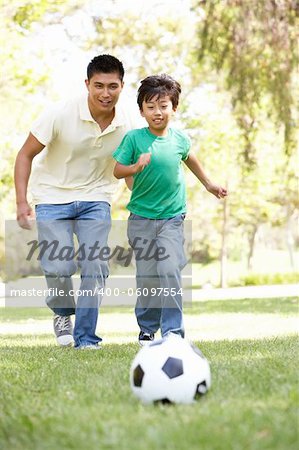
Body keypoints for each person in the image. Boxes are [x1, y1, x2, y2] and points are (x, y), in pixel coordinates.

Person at [14, 54, 140, 349]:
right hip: (51, 196)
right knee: (58, 267)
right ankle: (61, 313)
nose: (105, 94)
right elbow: (25, 154)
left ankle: (86, 338)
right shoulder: (59, 112)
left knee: (94, 265)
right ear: (87, 84)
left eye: (112, 86)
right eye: (98, 86)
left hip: (96, 197)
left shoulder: (128, 123)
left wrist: (148, 203)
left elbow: (130, 172)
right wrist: (22, 202)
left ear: (122, 86)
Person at [113, 74, 228, 345]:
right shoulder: (133, 139)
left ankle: (173, 332)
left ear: (174, 109)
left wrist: (209, 185)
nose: (157, 112)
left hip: (172, 217)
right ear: (141, 110)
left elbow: (192, 162)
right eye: (150, 106)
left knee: (169, 269)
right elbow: (117, 170)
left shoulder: (179, 140)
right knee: (147, 276)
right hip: (141, 217)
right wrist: (135, 167)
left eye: (163, 105)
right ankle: (147, 328)